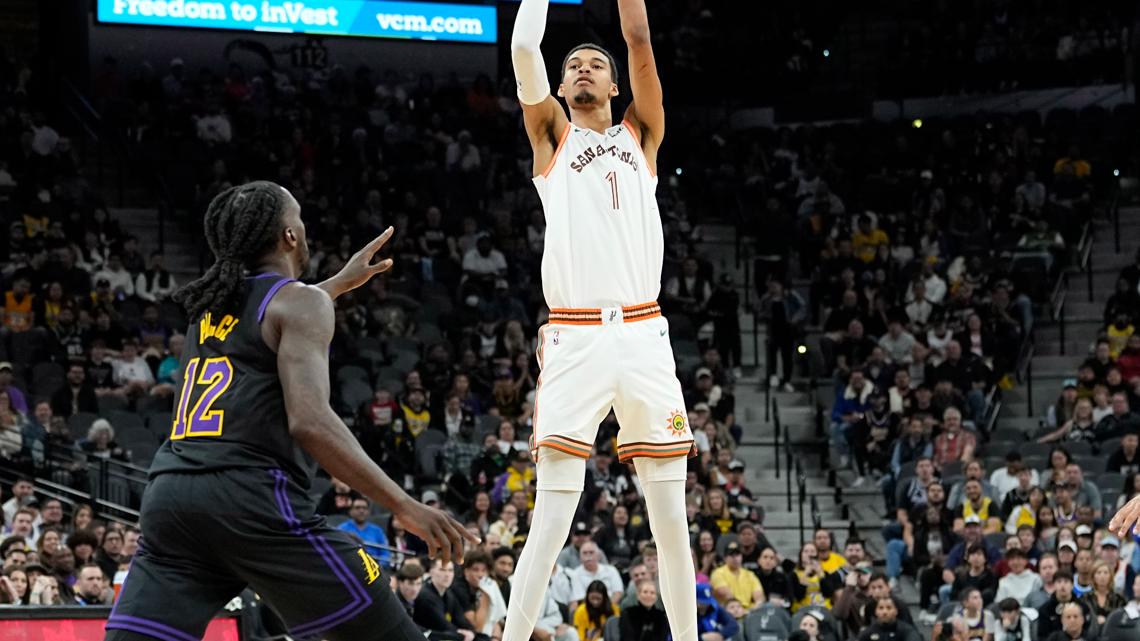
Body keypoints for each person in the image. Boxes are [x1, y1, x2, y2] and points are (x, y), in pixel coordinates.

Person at [105, 182, 476, 641]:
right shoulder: (301, 303)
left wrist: (335, 285)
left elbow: (270, 318)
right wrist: (403, 505)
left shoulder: (209, 307)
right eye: (298, 217)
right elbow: (310, 421)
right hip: (250, 499)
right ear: (289, 236)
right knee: (385, 622)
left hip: (171, 499)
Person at [503, 3, 697, 641]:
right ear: (561, 88)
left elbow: (638, 36)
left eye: (596, 65)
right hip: (575, 335)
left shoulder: (642, 135)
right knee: (551, 520)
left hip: (644, 334)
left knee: (670, 520)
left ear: (615, 86)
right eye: (574, 67)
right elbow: (526, 46)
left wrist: (630, 25)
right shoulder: (553, 137)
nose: (584, 70)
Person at [337, 497, 391, 566]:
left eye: (364, 508)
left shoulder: (377, 531)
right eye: (357, 508)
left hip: (374, 567)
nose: (361, 511)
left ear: (368, 512)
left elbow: (385, 553)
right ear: (350, 511)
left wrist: (378, 566)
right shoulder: (342, 529)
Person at [856, 598, 921, 641]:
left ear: (896, 611)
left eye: (889, 608)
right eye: (881, 608)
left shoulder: (907, 630)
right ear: (876, 612)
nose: (885, 612)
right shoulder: (867, 632)